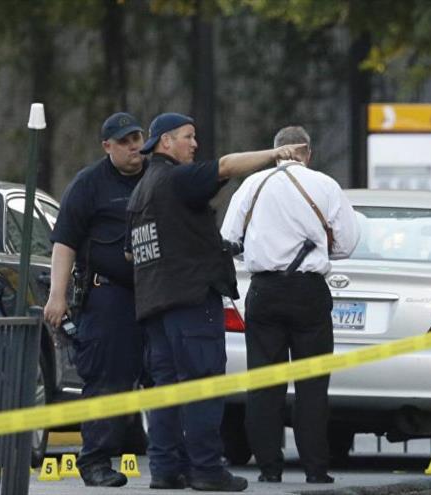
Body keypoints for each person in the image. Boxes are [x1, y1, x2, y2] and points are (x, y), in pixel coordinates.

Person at [127, 113, 305, 492]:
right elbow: (225, 166)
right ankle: (206, 469)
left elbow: (133, 253)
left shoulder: (142, 189)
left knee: (165, 389)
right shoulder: (178, 179)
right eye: (188, 137)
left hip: (155, 306)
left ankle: (165, 469)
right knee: (203, 385)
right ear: (165, 142)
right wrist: (277, 153)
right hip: (191, 302)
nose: (194, 145)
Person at [220, 125, 360, 484]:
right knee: (312, 385)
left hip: (264, 290)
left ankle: (269, 469)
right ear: (307, 153)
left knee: (264, 384)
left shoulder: (251, 186)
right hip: (309, 292)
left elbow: (228, 239)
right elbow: (347, 243)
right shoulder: (325, 186)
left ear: (275, 151)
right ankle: (315, 469)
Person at [43, 112, 146, 487]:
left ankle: (175, 462)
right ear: (107, 147)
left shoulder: (156, 177)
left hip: (155, 294)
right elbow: (64, 242)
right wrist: (57, 295)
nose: (134, 146)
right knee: (107, 380)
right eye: (124, 141)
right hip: (108, 296)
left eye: (137, 138)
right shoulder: (89, 184)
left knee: (166, 377)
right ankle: (96, 462)